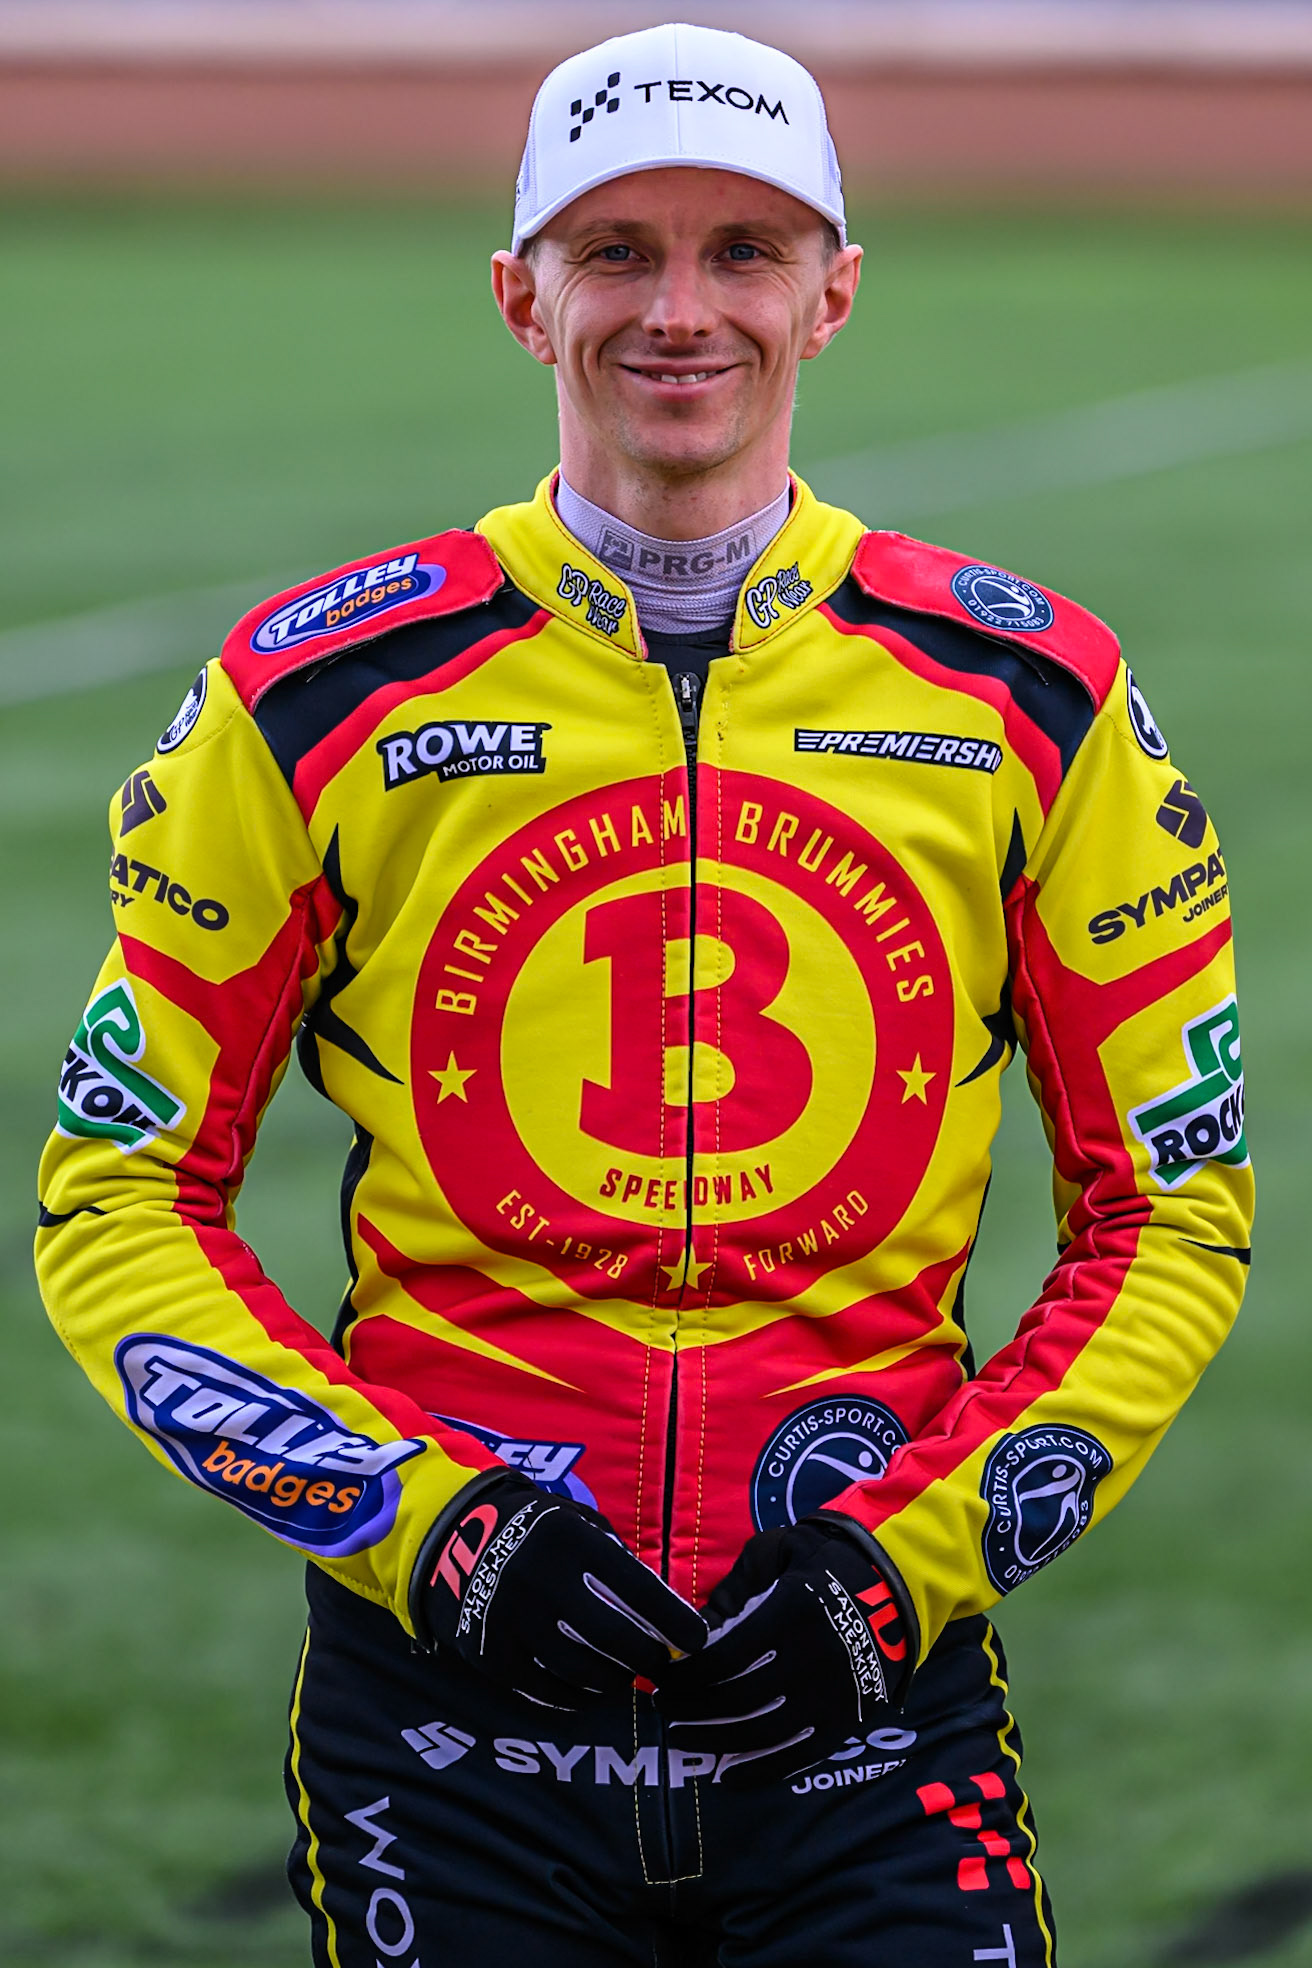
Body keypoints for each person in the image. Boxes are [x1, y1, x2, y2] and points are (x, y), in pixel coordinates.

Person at [36, 21, 1253, 1966]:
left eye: (742, 251)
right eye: (615, 251)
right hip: (444, 1713)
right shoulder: (312, 696)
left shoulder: (1035, 698)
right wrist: (424, 1528)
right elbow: (118, 1200)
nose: (679, 310)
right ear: (521, 297)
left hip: (871, 1704)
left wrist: (908, 1562)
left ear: (830, 295)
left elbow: (1170, 1215)